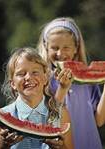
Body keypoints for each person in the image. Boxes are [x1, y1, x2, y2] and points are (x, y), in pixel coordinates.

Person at [37, 17, 105, 149]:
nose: (60, 53)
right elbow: (48, 120)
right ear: (46, 47)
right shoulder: (41, 80)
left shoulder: (88, 80)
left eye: (66, 47)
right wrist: (62, 88)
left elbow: (99, 120)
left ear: (76, 48)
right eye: (54, 48)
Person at [0, 47, 74, 149]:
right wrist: (4, 145)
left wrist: (61, 147)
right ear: (13, 84)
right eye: (21, 74)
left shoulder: (62, 114)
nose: (29, 77)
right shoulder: (0, 119)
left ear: (45, 78)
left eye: (35, 72)